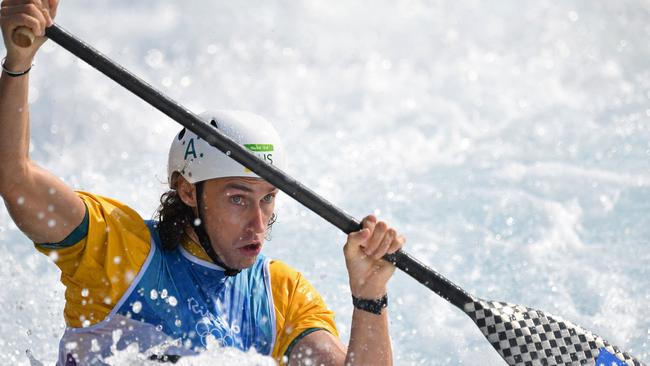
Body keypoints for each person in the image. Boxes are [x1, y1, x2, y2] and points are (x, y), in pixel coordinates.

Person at [0, 1, 406, 365]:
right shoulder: (119, 250)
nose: (259, 224)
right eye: (237, 198)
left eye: (267, 199)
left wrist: (369, 296)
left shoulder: (281, 294)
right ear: (188, 190)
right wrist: (17, 64)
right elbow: (15, 178)